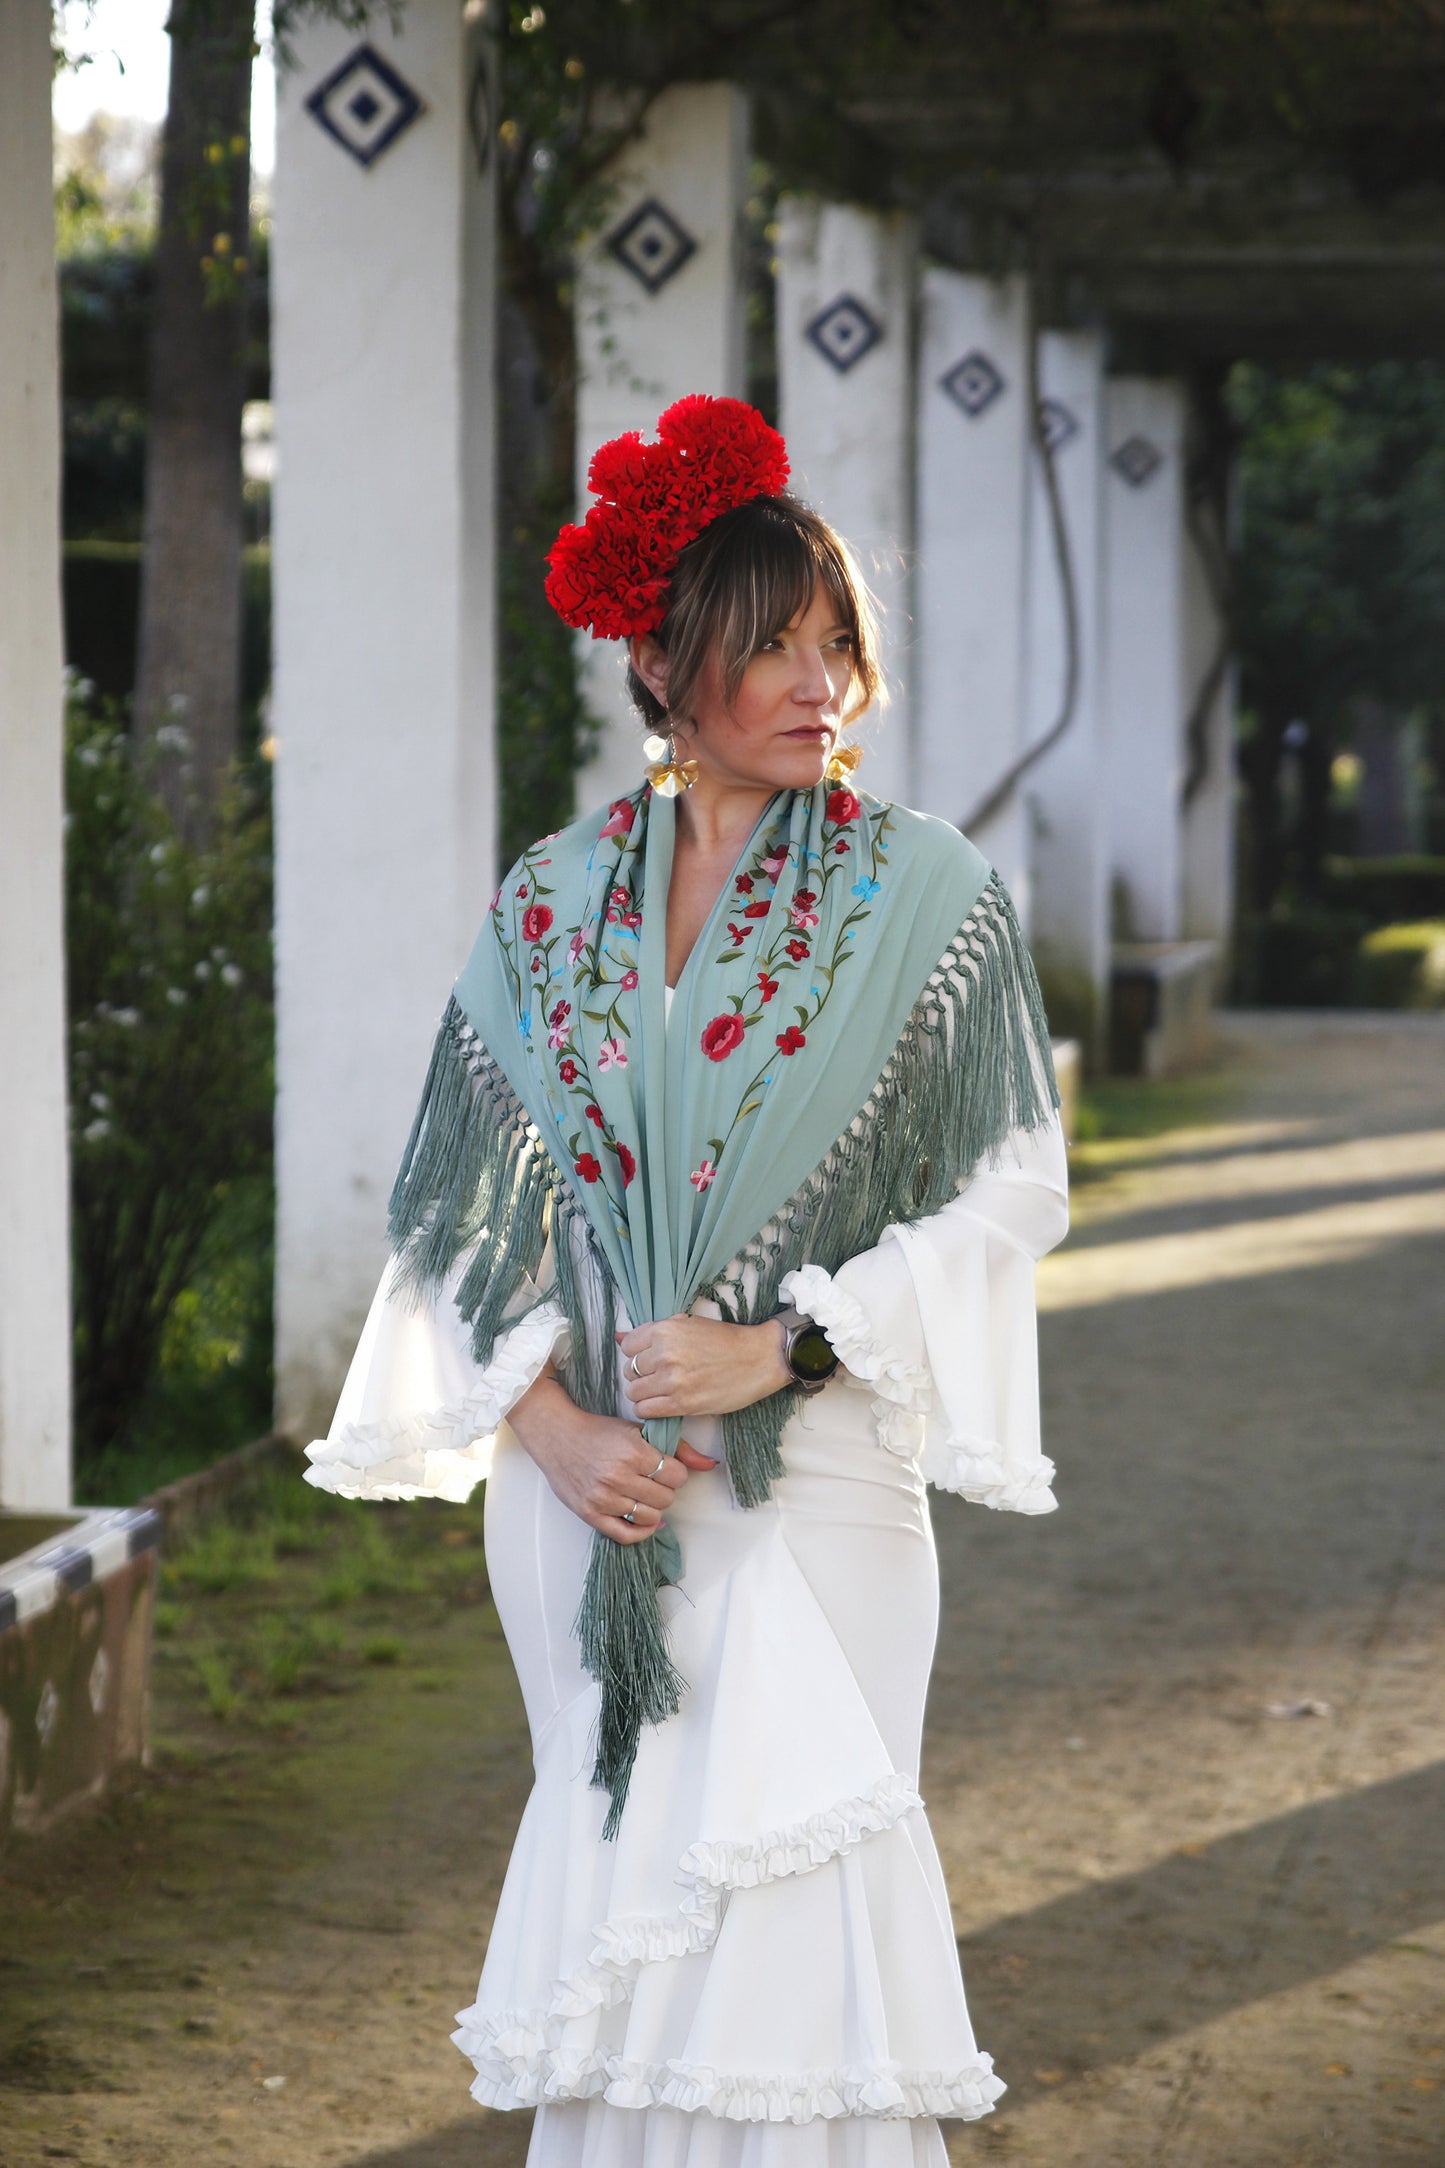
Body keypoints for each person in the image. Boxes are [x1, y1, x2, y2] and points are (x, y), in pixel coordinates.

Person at [305, 393, 1069, 2168]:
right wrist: (554, 1432)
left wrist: (783, 1350)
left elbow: (1012, 1192)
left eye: (835, 644)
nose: (817, 683)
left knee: (798, 1933)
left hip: (821, 1492)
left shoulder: (923, 894)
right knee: (628, 1948)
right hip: (586, 1505)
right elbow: (457, 1221)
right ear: (661, 664)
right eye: (768, 646)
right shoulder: (549, 903)